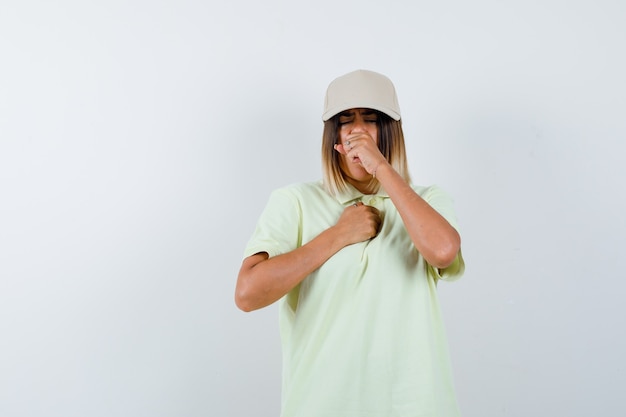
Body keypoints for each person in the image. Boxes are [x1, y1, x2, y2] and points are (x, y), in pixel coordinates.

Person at [235, 69, 465, 417]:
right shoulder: (294, 201)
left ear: (390, 131)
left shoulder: (427, 200)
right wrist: (338, 235)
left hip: (413, 405)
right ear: (334, 138)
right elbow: (248, 293)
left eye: (371, 119)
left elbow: (444, 251)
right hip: (322, 405)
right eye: (346, 121)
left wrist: (384, 171)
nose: (358, 130)